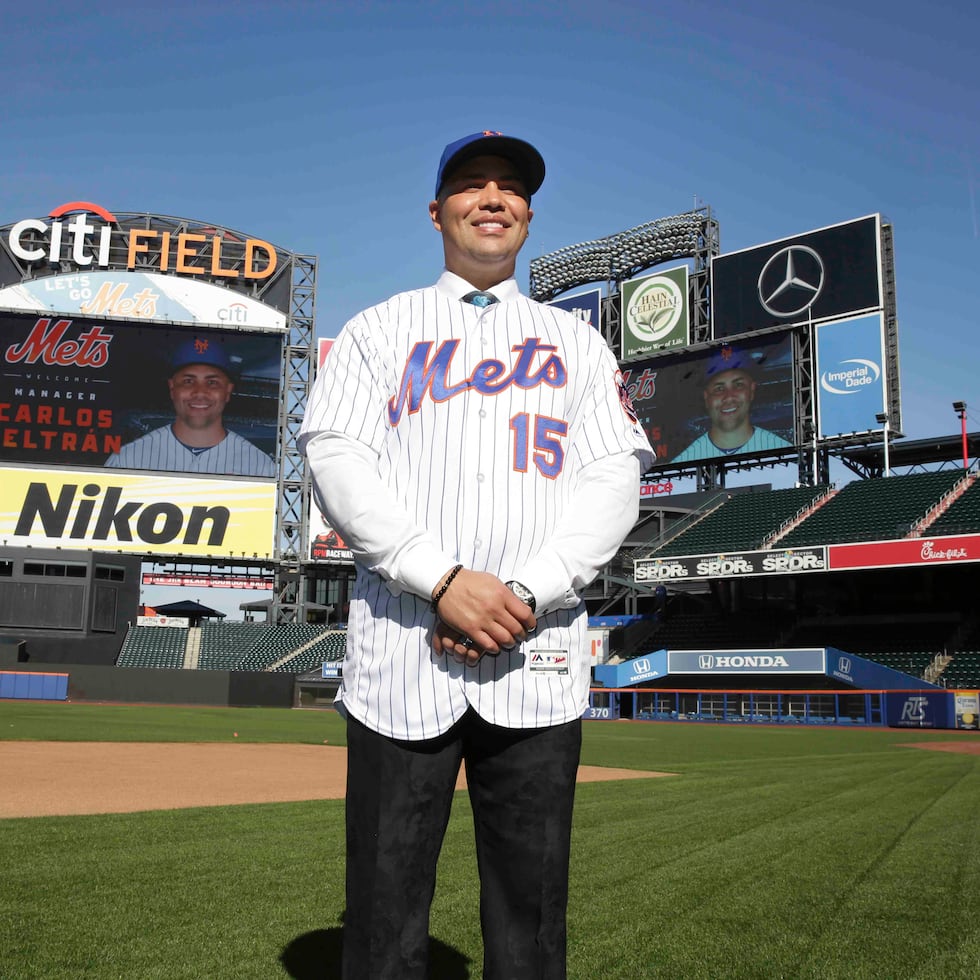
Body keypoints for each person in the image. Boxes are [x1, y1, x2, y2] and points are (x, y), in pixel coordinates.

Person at [299, 130, 654, 979]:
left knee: (532, 925)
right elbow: (335, 460)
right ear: (437, 211)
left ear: (527, 215)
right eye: (470, 184)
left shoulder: (578, 343)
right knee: (382, 920)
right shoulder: (378, 330)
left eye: (509, 188)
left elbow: (613, 479)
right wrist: (443, 580)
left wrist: (521, 592)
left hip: (537, 656)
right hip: (402, 653)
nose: (491, 198)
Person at [104, 337, 276, 476]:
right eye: (188, 381)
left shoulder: (260, 466)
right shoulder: (127, 459)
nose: (200, 392)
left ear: (228, 390)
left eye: (212, 382)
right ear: (172, 388)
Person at [671, 345, 792, 462]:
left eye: (738, 385)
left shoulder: (786, 452)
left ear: (752, 390)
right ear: (706, 397)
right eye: (719, 389)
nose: (729, 397)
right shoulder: (685, 459)